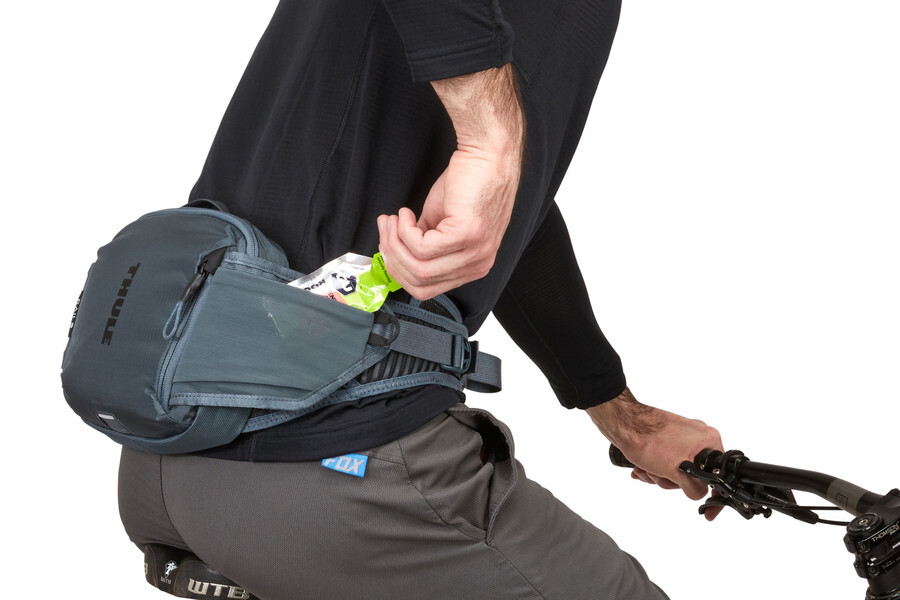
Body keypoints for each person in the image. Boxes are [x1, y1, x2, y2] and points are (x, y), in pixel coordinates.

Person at [118, 1, 724, 598]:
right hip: (335, 470)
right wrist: (489, 147)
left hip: (167, 452)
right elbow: (491, 176)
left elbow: (507, 226)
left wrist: (623, 416)